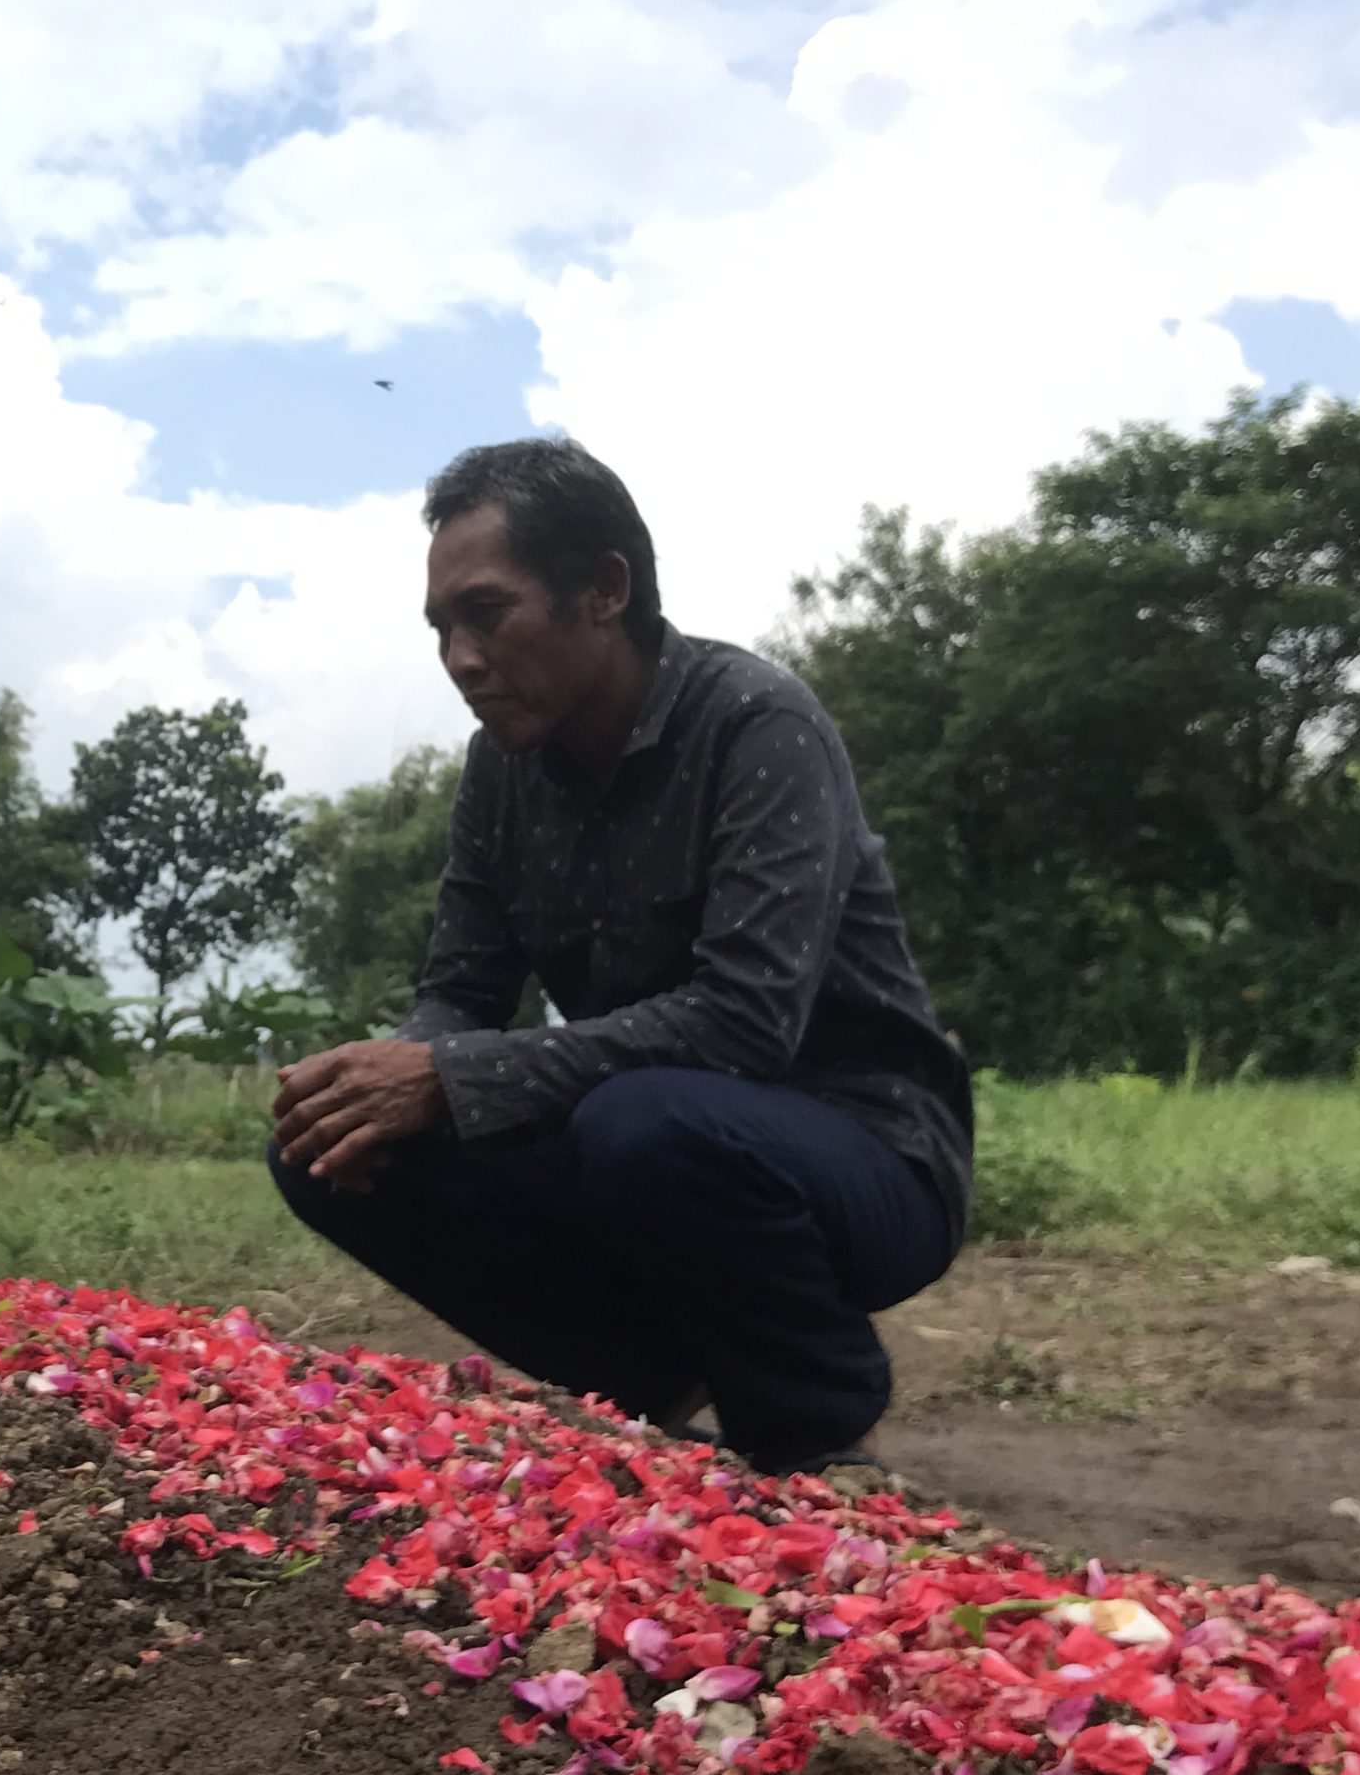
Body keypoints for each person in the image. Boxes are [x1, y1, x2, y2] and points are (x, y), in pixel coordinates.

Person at [267, 437, 972, 1475]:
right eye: (441, 628)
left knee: (643, 1122)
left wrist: (449, 1073)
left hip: (862, 1152)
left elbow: (743, 1021)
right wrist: (397, 1074)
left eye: (487, 613)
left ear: (602, 589)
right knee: (324, 1144)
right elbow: (461, 991)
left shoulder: (754, 724)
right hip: (645, 1140)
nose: (461, 658)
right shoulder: (499, 773)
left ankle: (818, 1428)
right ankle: (650, 1378)